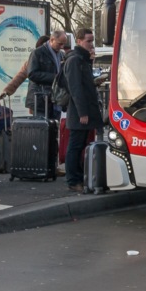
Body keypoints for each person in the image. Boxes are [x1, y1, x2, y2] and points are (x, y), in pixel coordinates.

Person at [62, 28, 104, 193]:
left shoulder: (82, 59)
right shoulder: (75, 60)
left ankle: (78, 177)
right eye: (88, 41)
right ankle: (73, 180)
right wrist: (82, 113)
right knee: (75, 145)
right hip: (80, 111)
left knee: (80, 144)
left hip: (84, 109)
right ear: (79, 41)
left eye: (92, 40)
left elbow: (82, 85)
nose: (91, 44)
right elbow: (75, 89)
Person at [26, 29, 69, 117]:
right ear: (52, 40)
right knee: (42, 128)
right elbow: (32, 74)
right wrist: (55, 78)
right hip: (40, 99)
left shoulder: (61, 55)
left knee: (54, 128)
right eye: (60, 43)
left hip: (55, 99)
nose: (62, 46)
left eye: (64, 44)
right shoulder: (37, 53)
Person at [0, 35, 50, 99]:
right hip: (35, 98)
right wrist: (6, 91)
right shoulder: (31, 61)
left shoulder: (58, 58)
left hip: (51, 98)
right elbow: (19, 77)